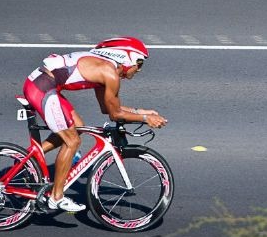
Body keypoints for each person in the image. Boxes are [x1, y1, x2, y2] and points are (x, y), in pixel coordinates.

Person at [22, 37, 168, 212]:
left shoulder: (105, 69)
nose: (139, 69)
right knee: (72, 142)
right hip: (42, 88)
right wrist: (145, 119)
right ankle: (56, 197)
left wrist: (141, 112)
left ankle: (27, 160)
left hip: (44, 85)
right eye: (139, 62)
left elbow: (108, 108)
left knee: (77, 126)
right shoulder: (109, 73)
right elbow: (115, 115)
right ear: (127, 57)